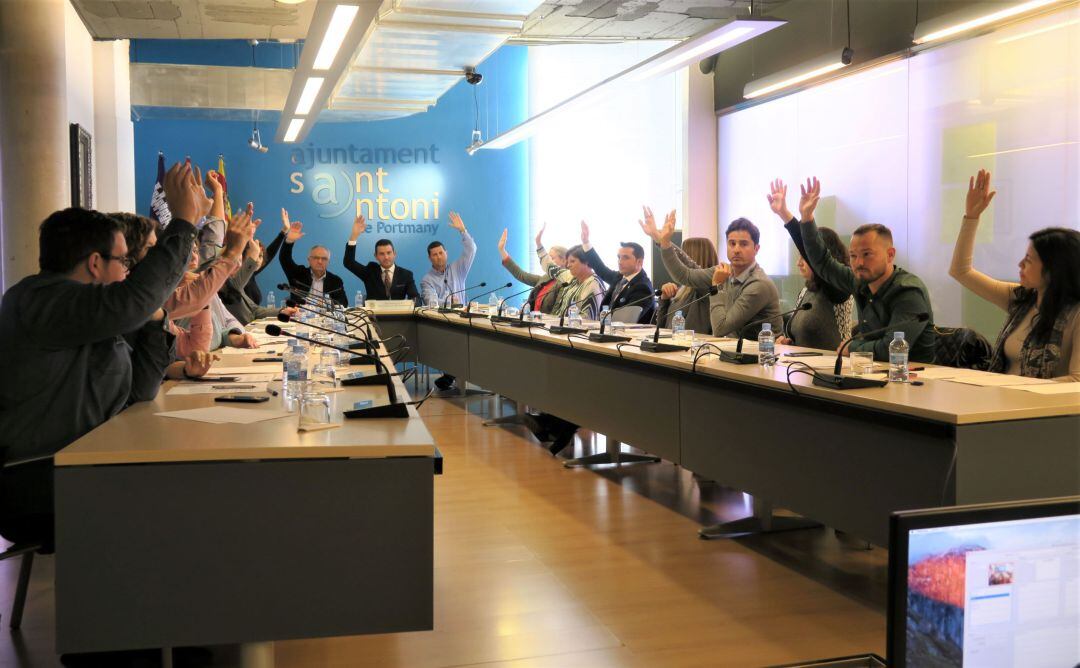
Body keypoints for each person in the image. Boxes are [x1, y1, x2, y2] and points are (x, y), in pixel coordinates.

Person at [0, 161, 203, 549]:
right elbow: (131, 301)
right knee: (195, 497)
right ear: (95, 263)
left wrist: (152, 319)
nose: (130, 271)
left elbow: (139, 394)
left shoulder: (88, 317)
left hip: (83, 467)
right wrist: (184, 222)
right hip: (40, 482)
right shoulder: (39, 301)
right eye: (125, 261)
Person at [949, 169, 1080, 380]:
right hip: (1001, 401)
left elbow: (1077, 380)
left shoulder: (1076, 313)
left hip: (1042, 409)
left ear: (1053, 269)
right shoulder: (1022, 298)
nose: (1020, 264)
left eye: (1028, 260)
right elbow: (961, 271)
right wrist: (972, 217)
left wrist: (1016, 388)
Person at [798, 177, 936, 362]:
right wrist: (807, 219)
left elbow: (891, 348)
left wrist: (853, 347)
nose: (859, 262)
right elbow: (822, 262)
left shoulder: (909, 292)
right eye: (853, 256)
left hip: (914, 378)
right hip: (871, 372)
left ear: (890, 255)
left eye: (867, 254)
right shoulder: (860, 280)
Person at [765, 179, 855, 350]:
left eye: (804, 257)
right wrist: (787, 341)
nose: (799, 263)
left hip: (833, 368)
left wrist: (786, 214)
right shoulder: (806, 291)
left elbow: (813, 253)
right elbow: (800, 335)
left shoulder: (837, 289)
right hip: (802, 367)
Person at [638, 207, 717, 334]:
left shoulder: (706, 290)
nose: (677, 259)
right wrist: (664, 299)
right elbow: (662, 329)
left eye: (683, 252)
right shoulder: (681, 291)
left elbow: (689, 265)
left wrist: (661, 240)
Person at [701, 217, 782, 338]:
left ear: (756, 249)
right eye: (732, 244)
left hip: (762, 354)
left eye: (743, 244)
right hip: (736, 351)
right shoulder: (727, 273)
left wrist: (716, 287)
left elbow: (720, 329)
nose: (736, 250)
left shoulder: (759, 284)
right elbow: (687, 275)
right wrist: (665, 245)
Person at [579, 222, 655, 323]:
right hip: (607, 330)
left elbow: (626, 320)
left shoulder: (643, 287)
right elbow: (600, 268)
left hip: (628, 335)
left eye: (625, 258)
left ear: (639, 261)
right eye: (619, 257)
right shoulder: (620, 277)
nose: (620, 261)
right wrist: (586, 242)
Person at [280, 210, 348, 307]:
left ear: (328, 261)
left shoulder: (335, 281)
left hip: (326, 319)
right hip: (300, 317)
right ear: (309, 259)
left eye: (324, 259)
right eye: (316, 258)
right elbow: (284, 259)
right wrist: (289, 240)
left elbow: (343, 304)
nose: (320, 261)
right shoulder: (298, 275)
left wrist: (326, 304)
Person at [343, 214, 419, 301]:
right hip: (374, 314)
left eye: (389, 253)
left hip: (398, 314)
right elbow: (348, 262)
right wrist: (354, 236)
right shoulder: (370, 272)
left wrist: (414, 302)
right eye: (382, 254)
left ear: (395, 254)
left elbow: (415, 297)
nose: (386, 257)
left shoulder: (406, 275)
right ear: (376, 256)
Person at [497, 225, 566, 314]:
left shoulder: (566, 284)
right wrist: (502, 250)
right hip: (533, 324)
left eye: (551, 258)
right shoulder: (545, 278)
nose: (548, 261)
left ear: (564, 260)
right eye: (547, 258)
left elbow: (557, 314)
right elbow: (521, 275)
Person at [419, 211, 476, 308]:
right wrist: (449, 302)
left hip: (461, 318)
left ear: (446, 253)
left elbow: (471, 249)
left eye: (441, 253)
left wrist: (463, 230)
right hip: (439, 321)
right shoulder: (427, 280)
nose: (439, 257)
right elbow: (430, 302)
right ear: (430, 258)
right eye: (435, 254)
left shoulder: (458, 269)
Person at [539, 244, 604, 319]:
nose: (568, 265)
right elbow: (552, 269)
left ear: (586, 262)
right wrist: (539, 246)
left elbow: (588, 318)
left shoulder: (592, 284)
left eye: (572, 261)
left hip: (577, 328)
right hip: (562, 326)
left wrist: (561, 321)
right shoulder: (572, 277)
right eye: (568, 262)